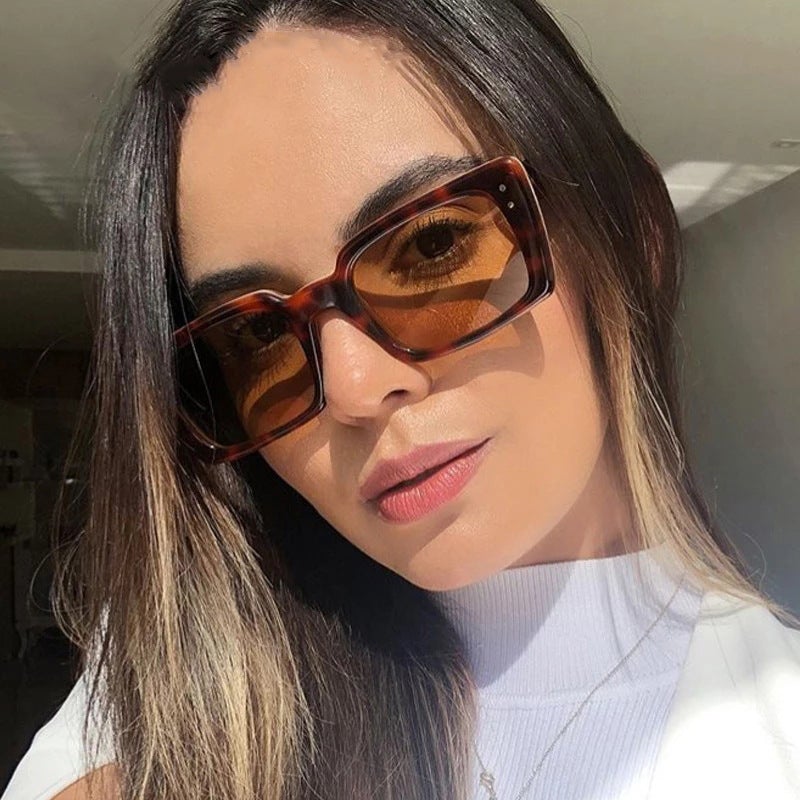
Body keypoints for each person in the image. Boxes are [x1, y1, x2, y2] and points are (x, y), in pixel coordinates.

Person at [3, 1, 799, 799]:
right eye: (258, 336)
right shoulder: (162, 701)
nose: (353, 387)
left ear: (635, 235)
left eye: (433, 245)